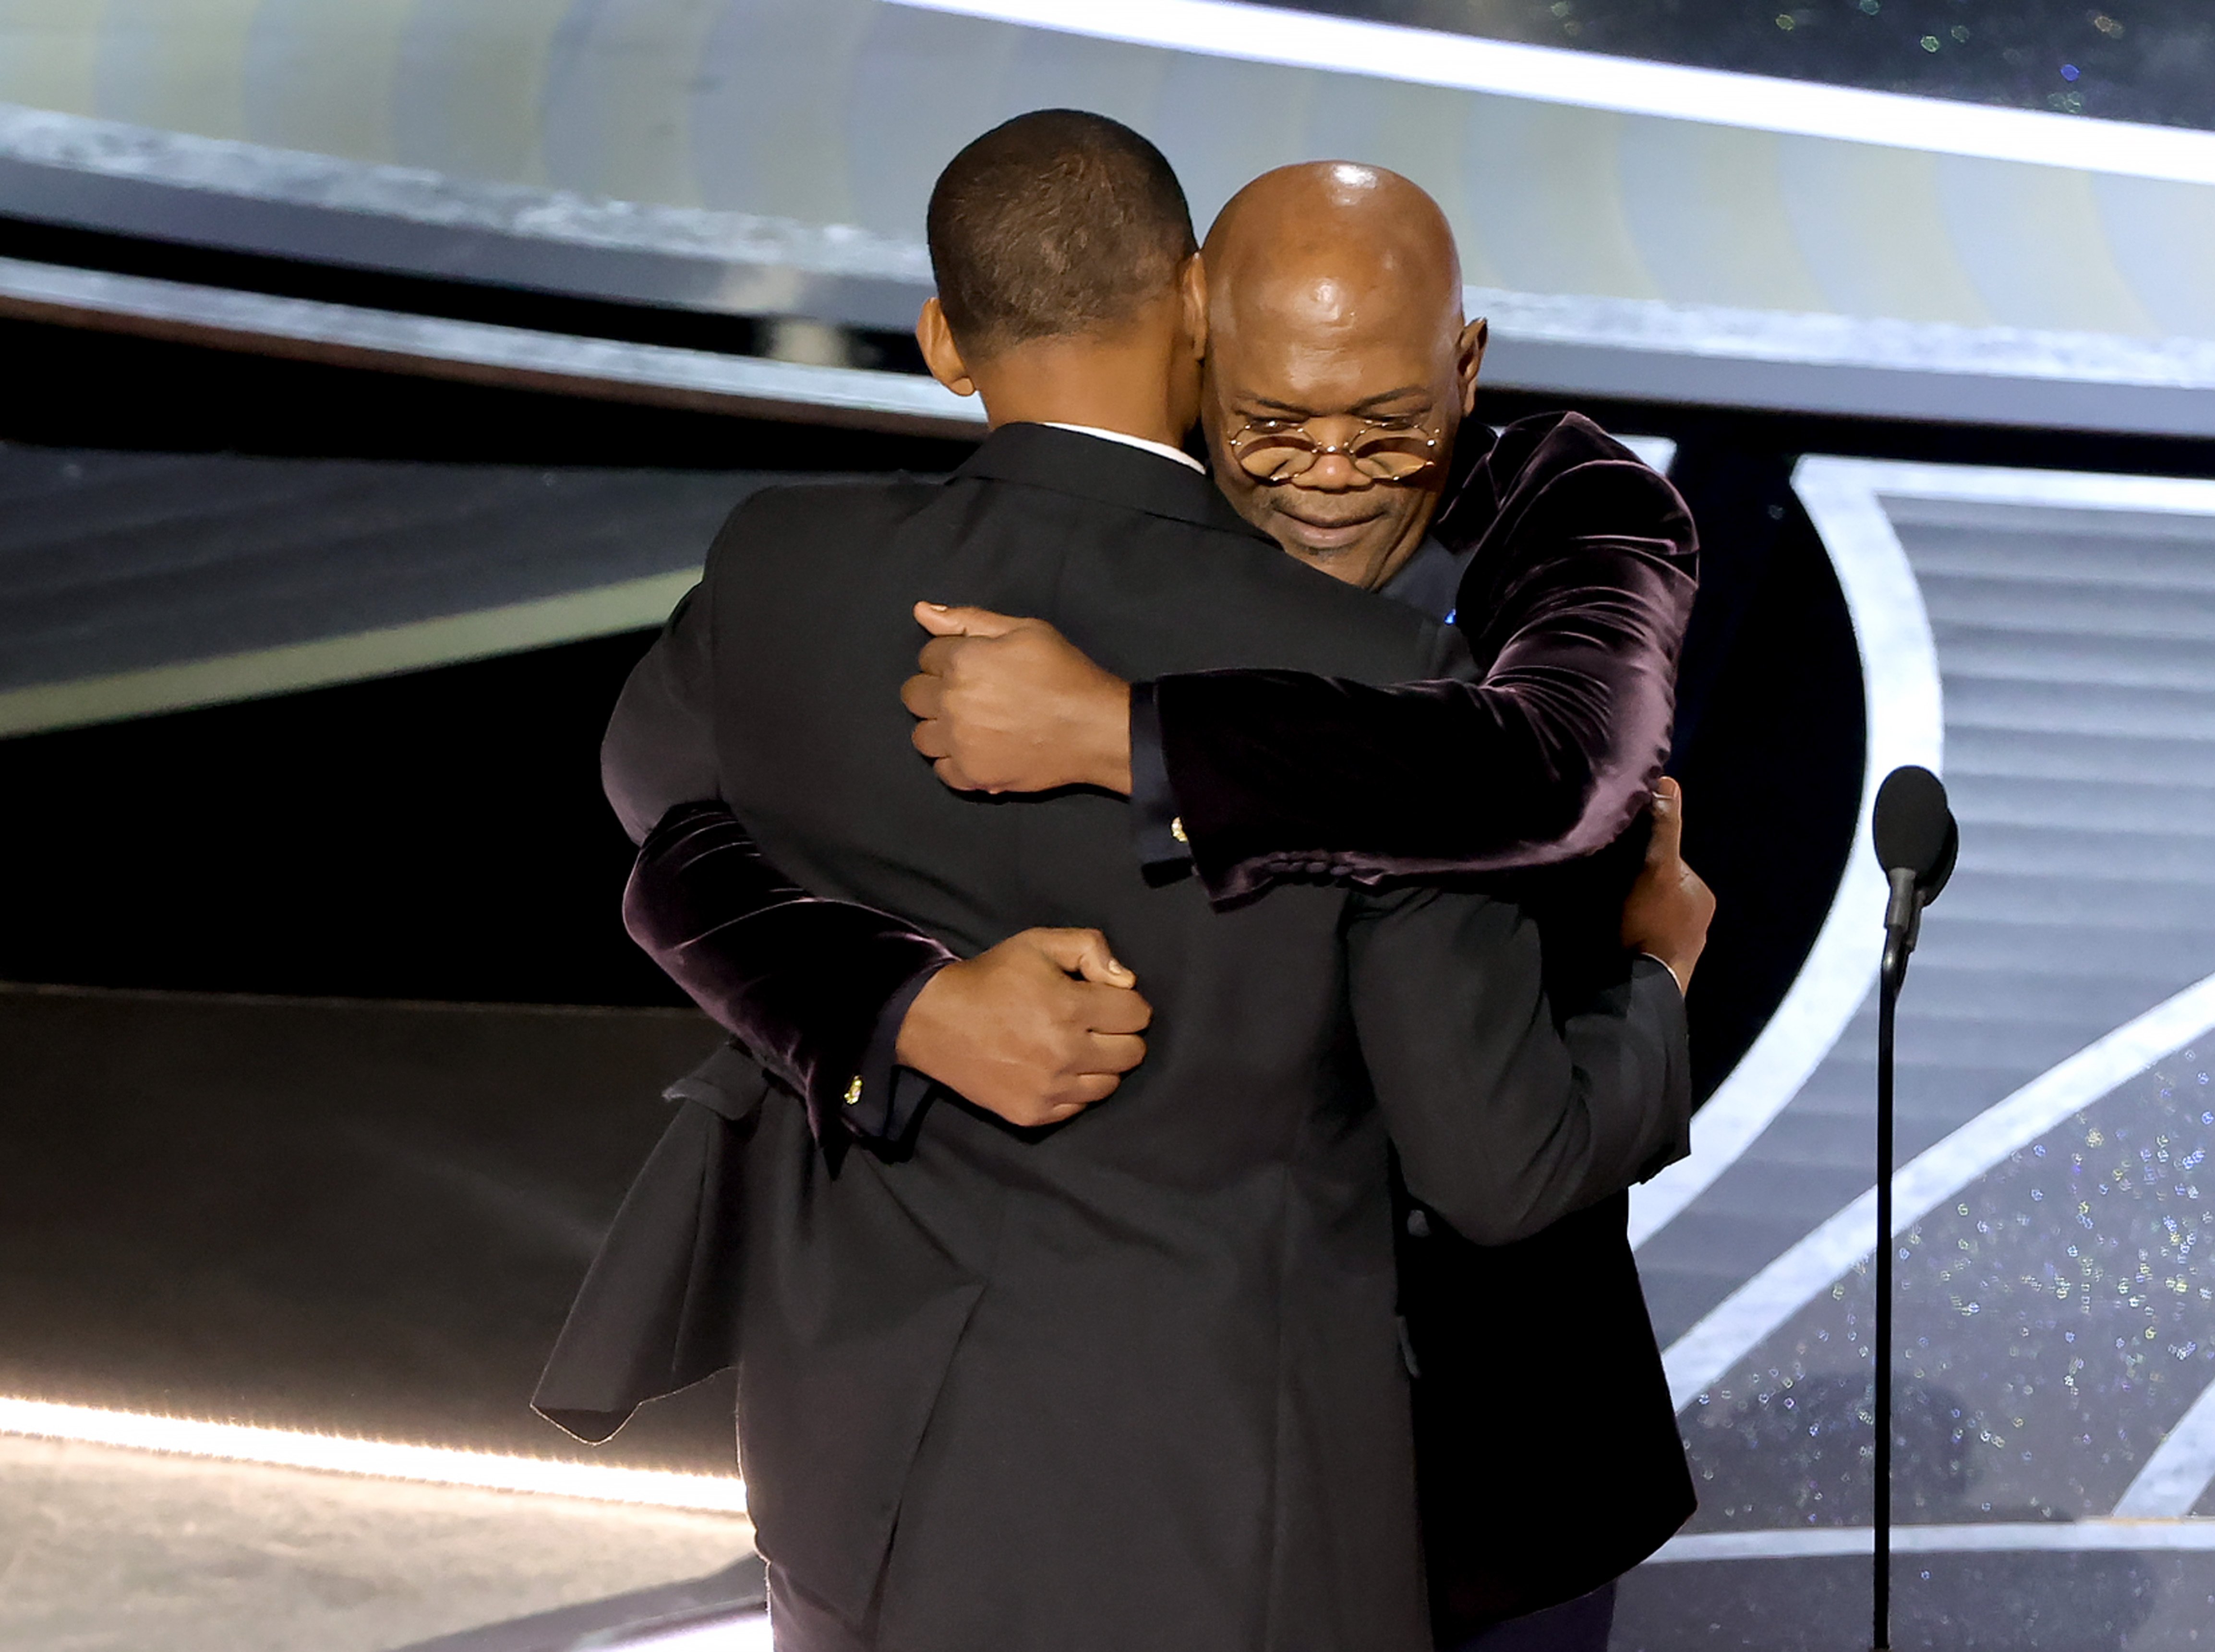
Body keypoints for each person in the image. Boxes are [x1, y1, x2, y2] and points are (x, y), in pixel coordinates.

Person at [541, 111, 1702, 1652]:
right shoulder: (1063, 557)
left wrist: (1128, 734)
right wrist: (894, 1002)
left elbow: (1550, 763)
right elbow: (675, 824)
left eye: (1390, 423)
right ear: (1201, 327)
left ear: (1468, 368)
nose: (1333, 479)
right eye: (1276, 423)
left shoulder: (1575, 517)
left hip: (1489, 1449)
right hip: (1115, 1449)